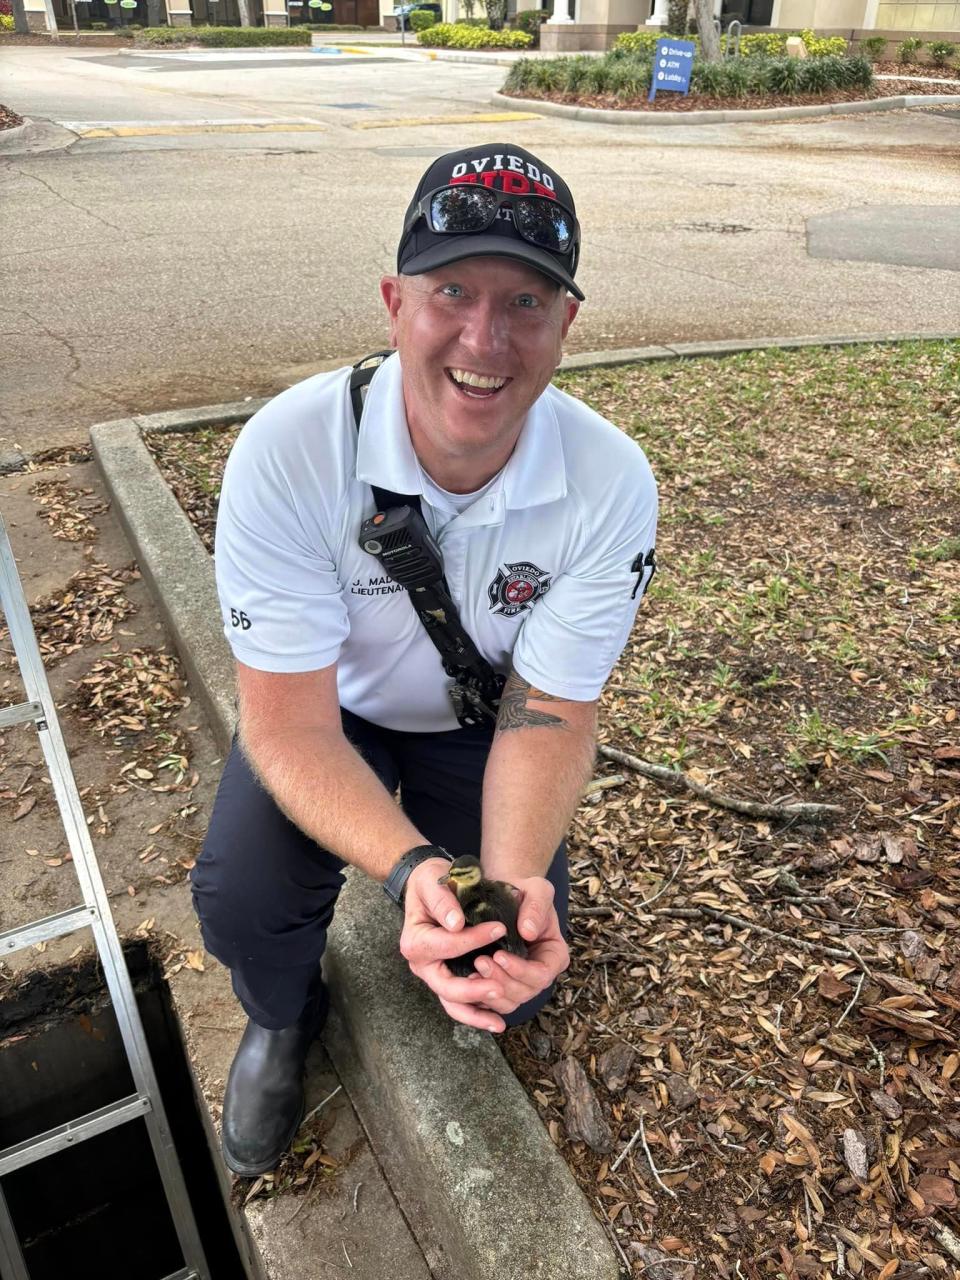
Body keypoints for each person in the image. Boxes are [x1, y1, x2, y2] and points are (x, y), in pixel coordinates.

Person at [191, 143, 658, 1178]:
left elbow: (550, 713)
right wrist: (413, 871)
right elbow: (287, 725)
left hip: (478, 717)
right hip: (335, 713)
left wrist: (508, 880)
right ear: (396, 301)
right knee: (240, 894)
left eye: (526, 301)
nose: (484, 338)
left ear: (567, 323)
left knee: (514, 958)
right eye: (452, 290)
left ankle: (471, 963)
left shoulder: (610, 480)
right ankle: (280, 1013)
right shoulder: (290, 451)